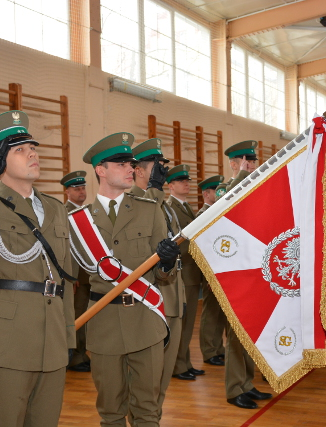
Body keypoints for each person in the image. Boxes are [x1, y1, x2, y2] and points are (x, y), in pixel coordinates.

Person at [0, 111, 75, 426]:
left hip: (52, 340)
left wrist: (68, 336)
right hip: (6, 340)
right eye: (19, 149)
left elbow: (65, 278)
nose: (32, 153)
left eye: (33, 147)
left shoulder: (55, 209)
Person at [72, 132, 180, 425]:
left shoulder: (150, 210)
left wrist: (168, 263)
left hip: (145, 319)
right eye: (121, 163)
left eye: (131, 163)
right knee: (110, 410)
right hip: (103, 322)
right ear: (100, 170)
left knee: (147, 408)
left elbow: (163, 274)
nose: (130, 168)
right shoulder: (79, 221)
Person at [128, 137, 185, 418]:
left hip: (172, 298)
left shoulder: (165, 206)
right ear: (137, 170)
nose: (163, 170)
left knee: (161, 383)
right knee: (144, 385)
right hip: (149, 304)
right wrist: (153, 189)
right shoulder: (134, 202)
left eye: (164, 165)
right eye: (156, 165)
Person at [215, 140, 272, 409]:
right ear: (233, 164)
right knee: (236, 332)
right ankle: (233, 388)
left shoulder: (256, 188)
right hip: (235, 270)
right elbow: (225, 203)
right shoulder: (224, 188)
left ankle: (247, 383)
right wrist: (240, 176)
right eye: (246, 162)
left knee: (250, 330)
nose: (252, 166)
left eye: (254, 162)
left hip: (255, 268)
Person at [164, 164, 207, 381]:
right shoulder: (170, 207)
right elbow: (177, 241)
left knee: (188, 323)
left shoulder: (185, 206)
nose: (186, 184)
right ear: (170, 186)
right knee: (181, 322)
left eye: (187, 181)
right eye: (181, 181)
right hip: (183, 273)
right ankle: (177, 365)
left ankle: (185, 362)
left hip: (192, 272)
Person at [61, 170, 92, 373]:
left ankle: (83, 352)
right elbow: (66, 247)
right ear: (67, 192)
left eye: (83, 188)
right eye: (76, 189)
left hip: (91, 273)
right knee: (77, 315)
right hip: (78, 275)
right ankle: (75, 357)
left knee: (89, 315)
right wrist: (70, 276)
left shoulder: (87, 212)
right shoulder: (65, 213)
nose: (81, 192)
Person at [197, 175, 228, 366]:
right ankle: (209, 351)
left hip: (222, 271)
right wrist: (209, 276)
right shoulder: (203, 215)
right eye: (216, 190)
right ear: (206, 194)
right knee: (210, 313)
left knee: (220, 313)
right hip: (211, 273)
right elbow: (203, 248)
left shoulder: (219, 213)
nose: (220, 193)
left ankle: (218, 348)